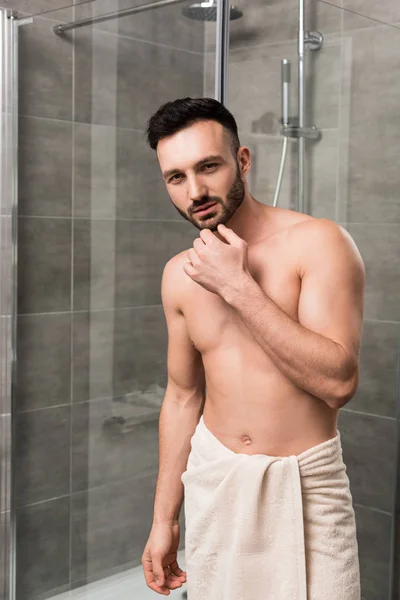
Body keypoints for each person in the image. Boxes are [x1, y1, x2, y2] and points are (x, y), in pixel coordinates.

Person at [141, 97, 365, 599]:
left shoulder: (319, 243)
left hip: (306, 490)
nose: (195, 190)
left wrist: (238, 288)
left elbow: (338, 383)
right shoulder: (179, 275)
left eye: (208, 166)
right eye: (176, 177)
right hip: (215, 485)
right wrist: (163, 519)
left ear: (242, 160)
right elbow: (181, 398)